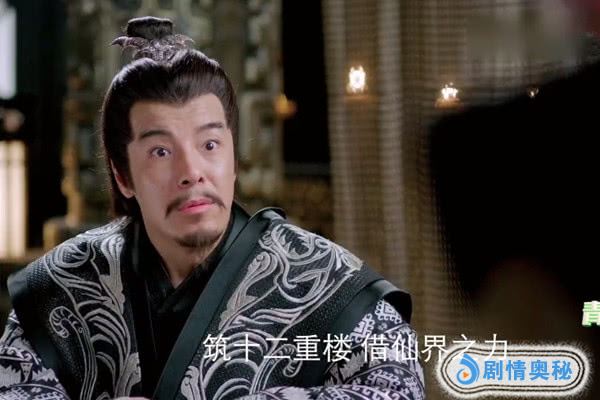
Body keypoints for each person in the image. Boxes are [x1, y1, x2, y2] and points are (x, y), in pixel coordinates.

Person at [0, 17, 425, 400]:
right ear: (123, 175)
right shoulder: (65, 283)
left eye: (209, 144)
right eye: (161, 151)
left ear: (233, 158)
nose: (192, 172)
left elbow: (396, 386)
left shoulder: (321, 277)